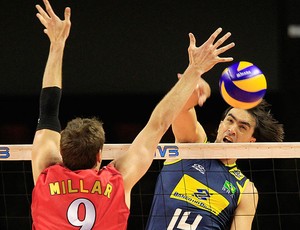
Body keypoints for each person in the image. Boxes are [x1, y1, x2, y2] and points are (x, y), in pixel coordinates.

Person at [30, 0, 235, 229]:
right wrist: (195, 69)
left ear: (61, 150)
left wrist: (56, 44)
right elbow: (159, 123)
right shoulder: (117, 180)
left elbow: (47, 111)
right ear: (100, 155)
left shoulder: (46, 173)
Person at [146, 79, 284, 229]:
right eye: (230, 121)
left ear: (251, 141)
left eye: (242, 127)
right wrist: (192, 84)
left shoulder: (245, 190)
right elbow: (181, 109)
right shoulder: (193, 146)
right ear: (220, 126)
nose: (232, 129)